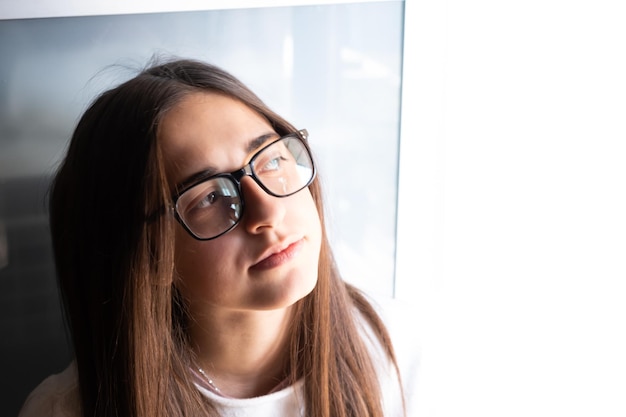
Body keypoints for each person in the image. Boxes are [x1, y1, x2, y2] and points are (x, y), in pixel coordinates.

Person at [18, 58, 418, 417]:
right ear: (145, 255)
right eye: (209, 196)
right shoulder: (64, 410)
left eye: (273, 159)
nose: (268, 212)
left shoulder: (401, 352)